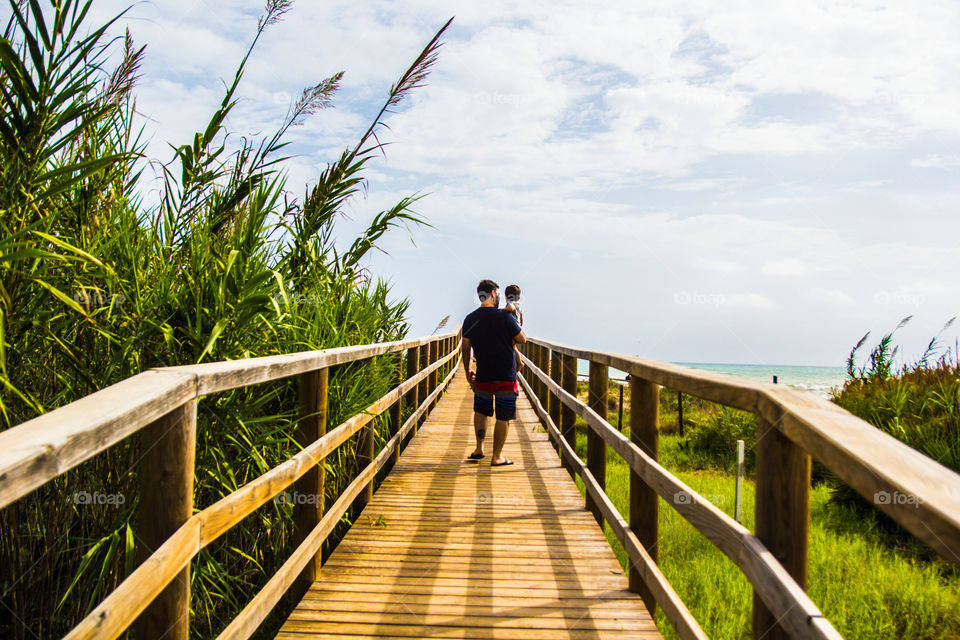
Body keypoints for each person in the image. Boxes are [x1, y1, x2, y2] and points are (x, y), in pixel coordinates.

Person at [461, 279, 527, 466]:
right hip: (505, 375)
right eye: (498, 293)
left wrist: (467, 370)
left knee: (481, 410)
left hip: (484, 374)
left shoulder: (470, 319)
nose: (499, 296)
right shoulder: (505, 317)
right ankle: (497, 456)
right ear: (492, 294)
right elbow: (522, 339)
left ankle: (479, 447)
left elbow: (466, 348)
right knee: (503, 416)